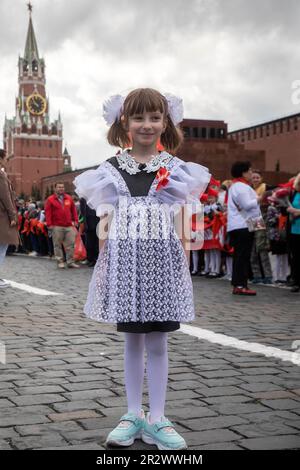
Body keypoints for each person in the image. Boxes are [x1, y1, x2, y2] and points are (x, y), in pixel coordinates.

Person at [74, 88, 210, 450]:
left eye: (154, 117)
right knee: (133, 340)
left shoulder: (176, 170)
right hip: (126, 265)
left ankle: (158, 417)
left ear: (166, 122)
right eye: (139, 118)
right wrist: (104, 266)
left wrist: (182, 264)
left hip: (162, 265)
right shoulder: (110, 170)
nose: (147, 125)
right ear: (125, 122)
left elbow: (184, 221)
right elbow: (105, 223)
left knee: (159, 342)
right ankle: (133, 412)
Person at [227, 161, 261, 295]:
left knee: (241, 256)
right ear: (244, 172)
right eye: (250, 171)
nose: (251, 173)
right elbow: (247, 205)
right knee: (243, 256)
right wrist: (260, 198)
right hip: (243, 225)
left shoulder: (238, 186)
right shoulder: (241, 186)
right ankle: (240, 284)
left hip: (242, 224)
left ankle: (239, 284)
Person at [45, 182, 79, 268]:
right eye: (59, 187)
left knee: (70, 245)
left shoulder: (69, 198)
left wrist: (75, 220)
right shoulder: (50, 199)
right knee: (57, 245)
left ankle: (70, 262)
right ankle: (60, 261)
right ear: (55, 189)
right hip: (56, 226)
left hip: (69, 226)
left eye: (62, 187)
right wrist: (49, 224)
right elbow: (48, 213)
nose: (61, 189)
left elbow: (73, 210)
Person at [0, 149, 19, 288]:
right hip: (2, 216)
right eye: (6, 158)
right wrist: (12, 215)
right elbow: (5, 196)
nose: (7, 160)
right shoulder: (1, 174)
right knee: (2, 247)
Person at [287, 173, 300, 293]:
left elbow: (296, 210)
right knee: (295, 257)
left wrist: (297, 211)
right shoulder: (295, 193)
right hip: (295, 229)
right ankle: (296, 281)